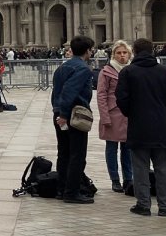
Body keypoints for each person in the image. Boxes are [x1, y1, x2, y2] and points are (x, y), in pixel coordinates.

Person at [116, 37, 166, 217]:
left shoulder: (128, 72)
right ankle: (165, 207)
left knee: (140, 168)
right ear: (152, 51)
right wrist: (165, 114)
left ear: (134, 52)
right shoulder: (165, 71)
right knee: (163, 169)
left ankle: (143, 205)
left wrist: (132, 113)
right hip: (161, 127)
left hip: (138, 127)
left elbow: (121, 98)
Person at [51, 34, 96, 205]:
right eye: (91, 50)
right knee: (77, 154)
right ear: (87, 51)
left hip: (59, 114)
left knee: (63, 153)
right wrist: (64, 115)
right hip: (73, 114)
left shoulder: (62, 67)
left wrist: (57, 112)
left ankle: (61, 189)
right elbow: (69, 91)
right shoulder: (83, 68)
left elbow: (56, 93)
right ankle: (72, 192)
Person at [96, 40, 133, 194]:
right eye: (119, 53)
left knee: (128, 149)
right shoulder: (106, 71)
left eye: (124, 52)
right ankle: (115, 179)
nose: (122, 55)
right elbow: (101, 95)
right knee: (111, 148)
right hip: (112, 114)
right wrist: (105, 117)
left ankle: (128, 179)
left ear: (129, 54)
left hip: (129, 115)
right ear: (113, 55)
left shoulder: (133, 70)